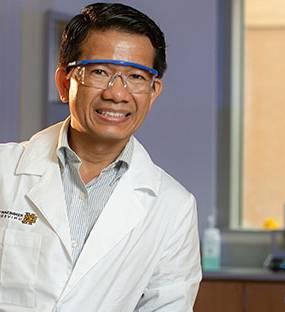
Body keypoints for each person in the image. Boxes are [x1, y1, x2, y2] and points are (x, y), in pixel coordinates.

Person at [0, 2, 201, 311]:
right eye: (100, 72)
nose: (117, 93)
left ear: (153, 91)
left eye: (136, 76)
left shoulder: (174, 206)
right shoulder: (4, 170)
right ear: (65, 82)